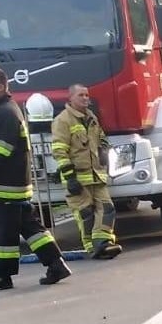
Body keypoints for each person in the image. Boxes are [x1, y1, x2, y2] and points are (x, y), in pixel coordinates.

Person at [0, 67, 70, 292]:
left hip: (5, 185)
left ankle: (2, 276)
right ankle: (56, 265)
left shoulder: (5, 113)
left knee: (3, 233)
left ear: (1, 87)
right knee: (31, 228)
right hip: (12, 185)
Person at [51, 83, 121, 259]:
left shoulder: (91, 117)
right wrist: (70, 177)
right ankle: (93, 248)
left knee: (107, 208)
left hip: (97, 175)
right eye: (80, 95)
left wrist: (104, 149)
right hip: (77, 178)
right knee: (86, 214)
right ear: (70, 98)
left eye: (87, 95)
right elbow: (59, 151)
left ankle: (103, 242)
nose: (85, 98)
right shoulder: (62, 120)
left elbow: (101, 137)